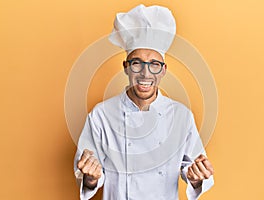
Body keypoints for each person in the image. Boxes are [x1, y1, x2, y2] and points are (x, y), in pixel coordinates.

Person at [74, 4, 214, 200]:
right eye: (137, 63)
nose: (145, 73)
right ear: (126, 67)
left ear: (163, 70)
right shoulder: (101, 115)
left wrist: (197, 177)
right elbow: (88, 176)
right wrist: (90, 178)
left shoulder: (182, 117)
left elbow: (194, 171)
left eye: (154, 65)